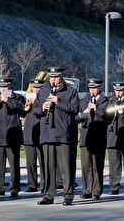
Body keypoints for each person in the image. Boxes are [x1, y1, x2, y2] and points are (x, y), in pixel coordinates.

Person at [32, 66, 80, 206]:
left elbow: (75, 109)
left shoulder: (70, 91)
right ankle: (49, 195)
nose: (53, 80)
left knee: (65, 167)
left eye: (55, 77)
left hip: (63, 133)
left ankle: (68, 194)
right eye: (51, 77)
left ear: (61, 77)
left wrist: (58, 101)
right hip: (47, 133)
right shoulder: (43, 90)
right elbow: (35, 109)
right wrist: (42, 108)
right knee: (48, 166)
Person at [78, 78, 109, 200]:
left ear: (99, 88)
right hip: (86, 136)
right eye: (90, 88)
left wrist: (97, 109)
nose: (92, 91)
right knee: (86, 165)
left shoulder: (105, 101)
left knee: (97, 165)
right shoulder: (84, 100)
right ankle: (87, 190)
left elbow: (108, 116)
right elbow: (77, 117)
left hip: (99, 136)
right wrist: (83, 113)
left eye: (94, 88)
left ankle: (97, 190)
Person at [105, 81, 124, 196]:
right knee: (114, 164)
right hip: (113, 136)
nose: (118, 92)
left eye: (120, 90)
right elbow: (105, 116)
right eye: (116, 90)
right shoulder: (110, 101)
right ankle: (114, 186)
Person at [22, 78, 45, 192]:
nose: (36, 90)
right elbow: (22, 112)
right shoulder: (27, 98)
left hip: (42, 133)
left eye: (38, 88)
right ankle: (32, 184)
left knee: (43, 162)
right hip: (29, 133)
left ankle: (44, 184)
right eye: (34, 88)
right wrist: (27, 103)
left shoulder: (45, 98)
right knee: (30, 162)